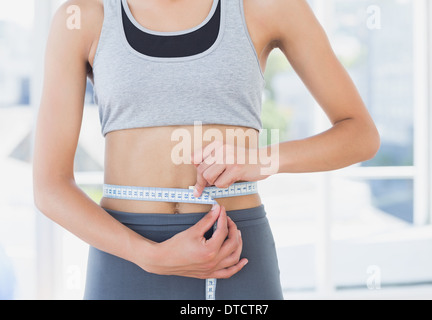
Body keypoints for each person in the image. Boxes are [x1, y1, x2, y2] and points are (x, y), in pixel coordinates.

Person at [32, 0, 380, 300]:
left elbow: (360, 134)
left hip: (233, 251)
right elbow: (50, 185)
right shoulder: (80, 17)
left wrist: (261, 159)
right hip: (124, 256)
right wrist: (148, 255)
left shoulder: (267, 6)